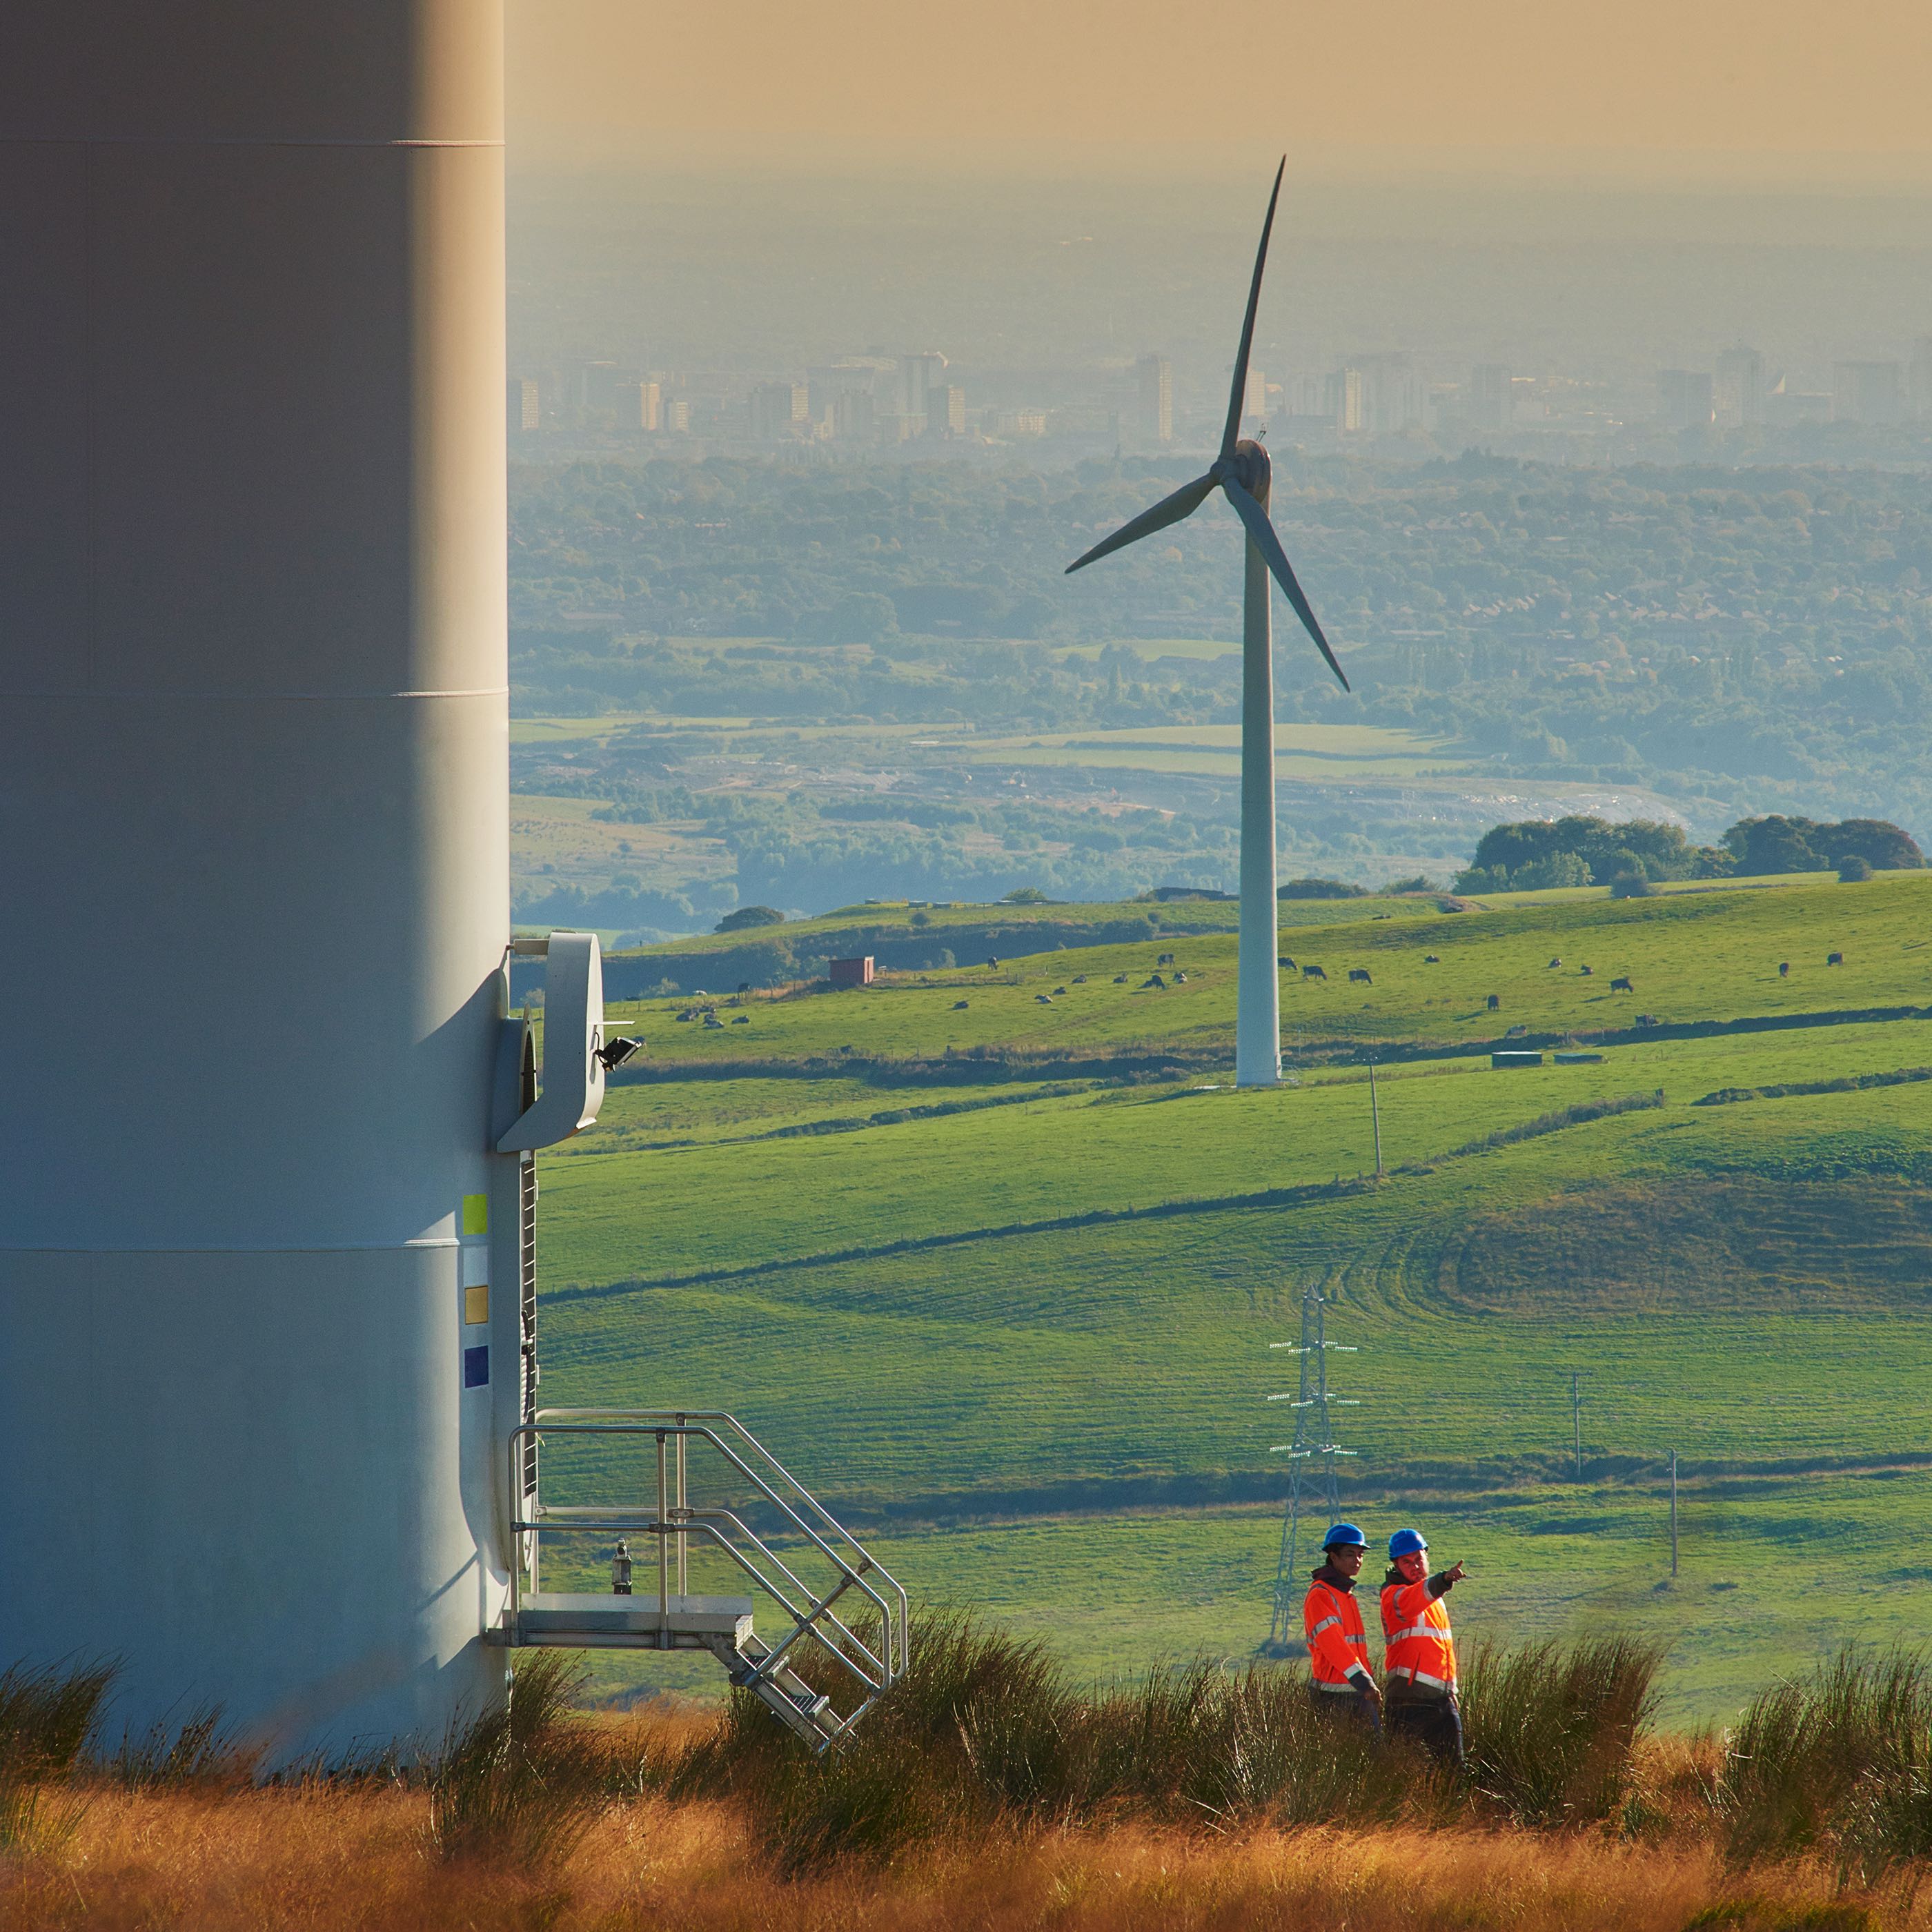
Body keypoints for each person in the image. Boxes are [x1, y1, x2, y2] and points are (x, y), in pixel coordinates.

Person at [1379, 1527, 1466, 1767]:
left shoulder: (1435, 1600)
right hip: (1408, 1702)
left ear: (1427, 1556)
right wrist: (1443, 1580)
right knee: (1403, 1777)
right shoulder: (1393, 1595)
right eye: (1406, 1562)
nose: (1415, 1566)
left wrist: (1451, 1691)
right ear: (1396, 1565)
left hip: (1442, 1700)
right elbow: (1413, 1599)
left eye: (1418, 1559)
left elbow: (1443, 1651)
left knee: (1454, 1774)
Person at [1302, 1523, 1381, 1726]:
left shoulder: (1345, 1594)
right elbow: (1335, 1646)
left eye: (1360, 1555)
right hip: (1334, 1697)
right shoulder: (1322, 1594)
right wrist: (1365, 1683)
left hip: (1356, 1693)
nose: (1357, 1561)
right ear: (1333, 1556)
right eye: (1350, 1554)